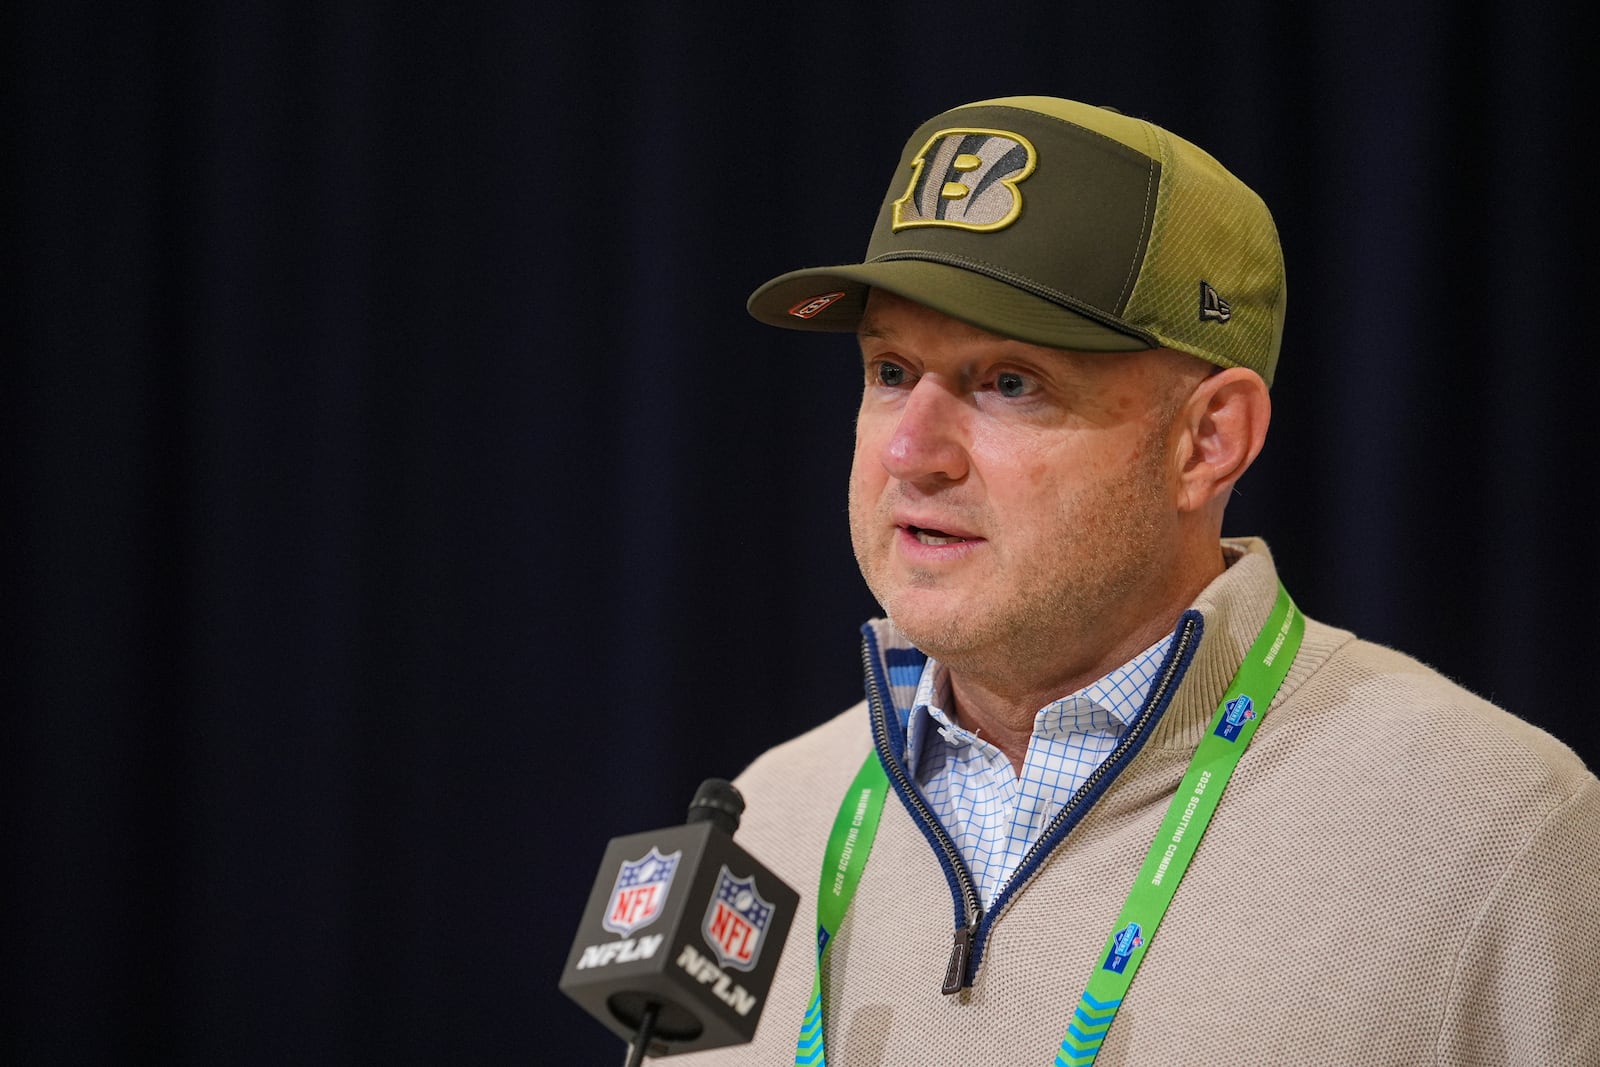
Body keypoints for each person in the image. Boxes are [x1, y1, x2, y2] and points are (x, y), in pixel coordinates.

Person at [676, 96, 1600, 1066]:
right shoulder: (766, 821)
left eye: (1008, 382)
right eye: (892, 370)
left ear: (1207, 440)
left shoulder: (1500, 834)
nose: (911, 450)